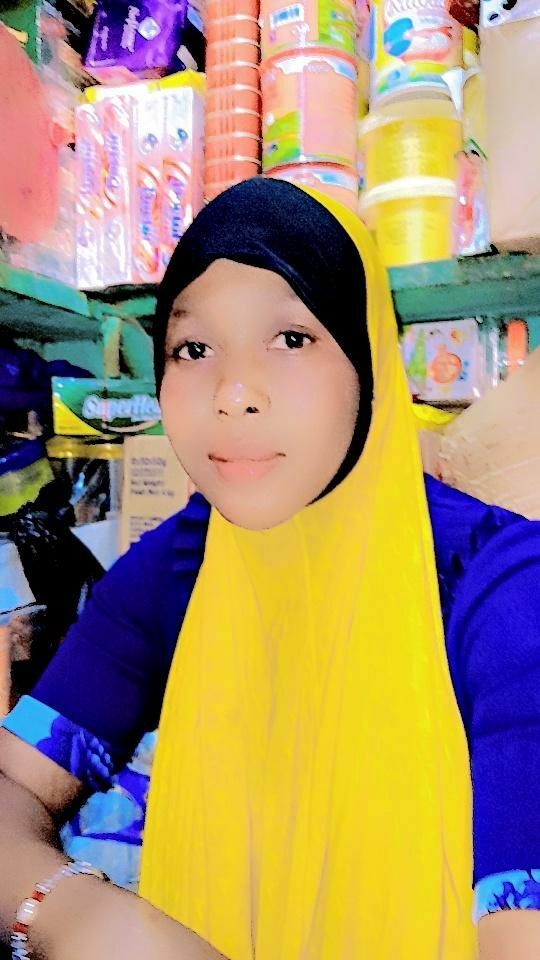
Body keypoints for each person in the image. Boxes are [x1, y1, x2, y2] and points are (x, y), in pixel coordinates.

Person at [0, 178, 540, 960]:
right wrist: (75, 911)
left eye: (291, 337)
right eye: (193, 348)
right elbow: (13, 785)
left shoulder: (498, 587)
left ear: (368, 361)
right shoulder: (184, 566)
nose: (234, 393)